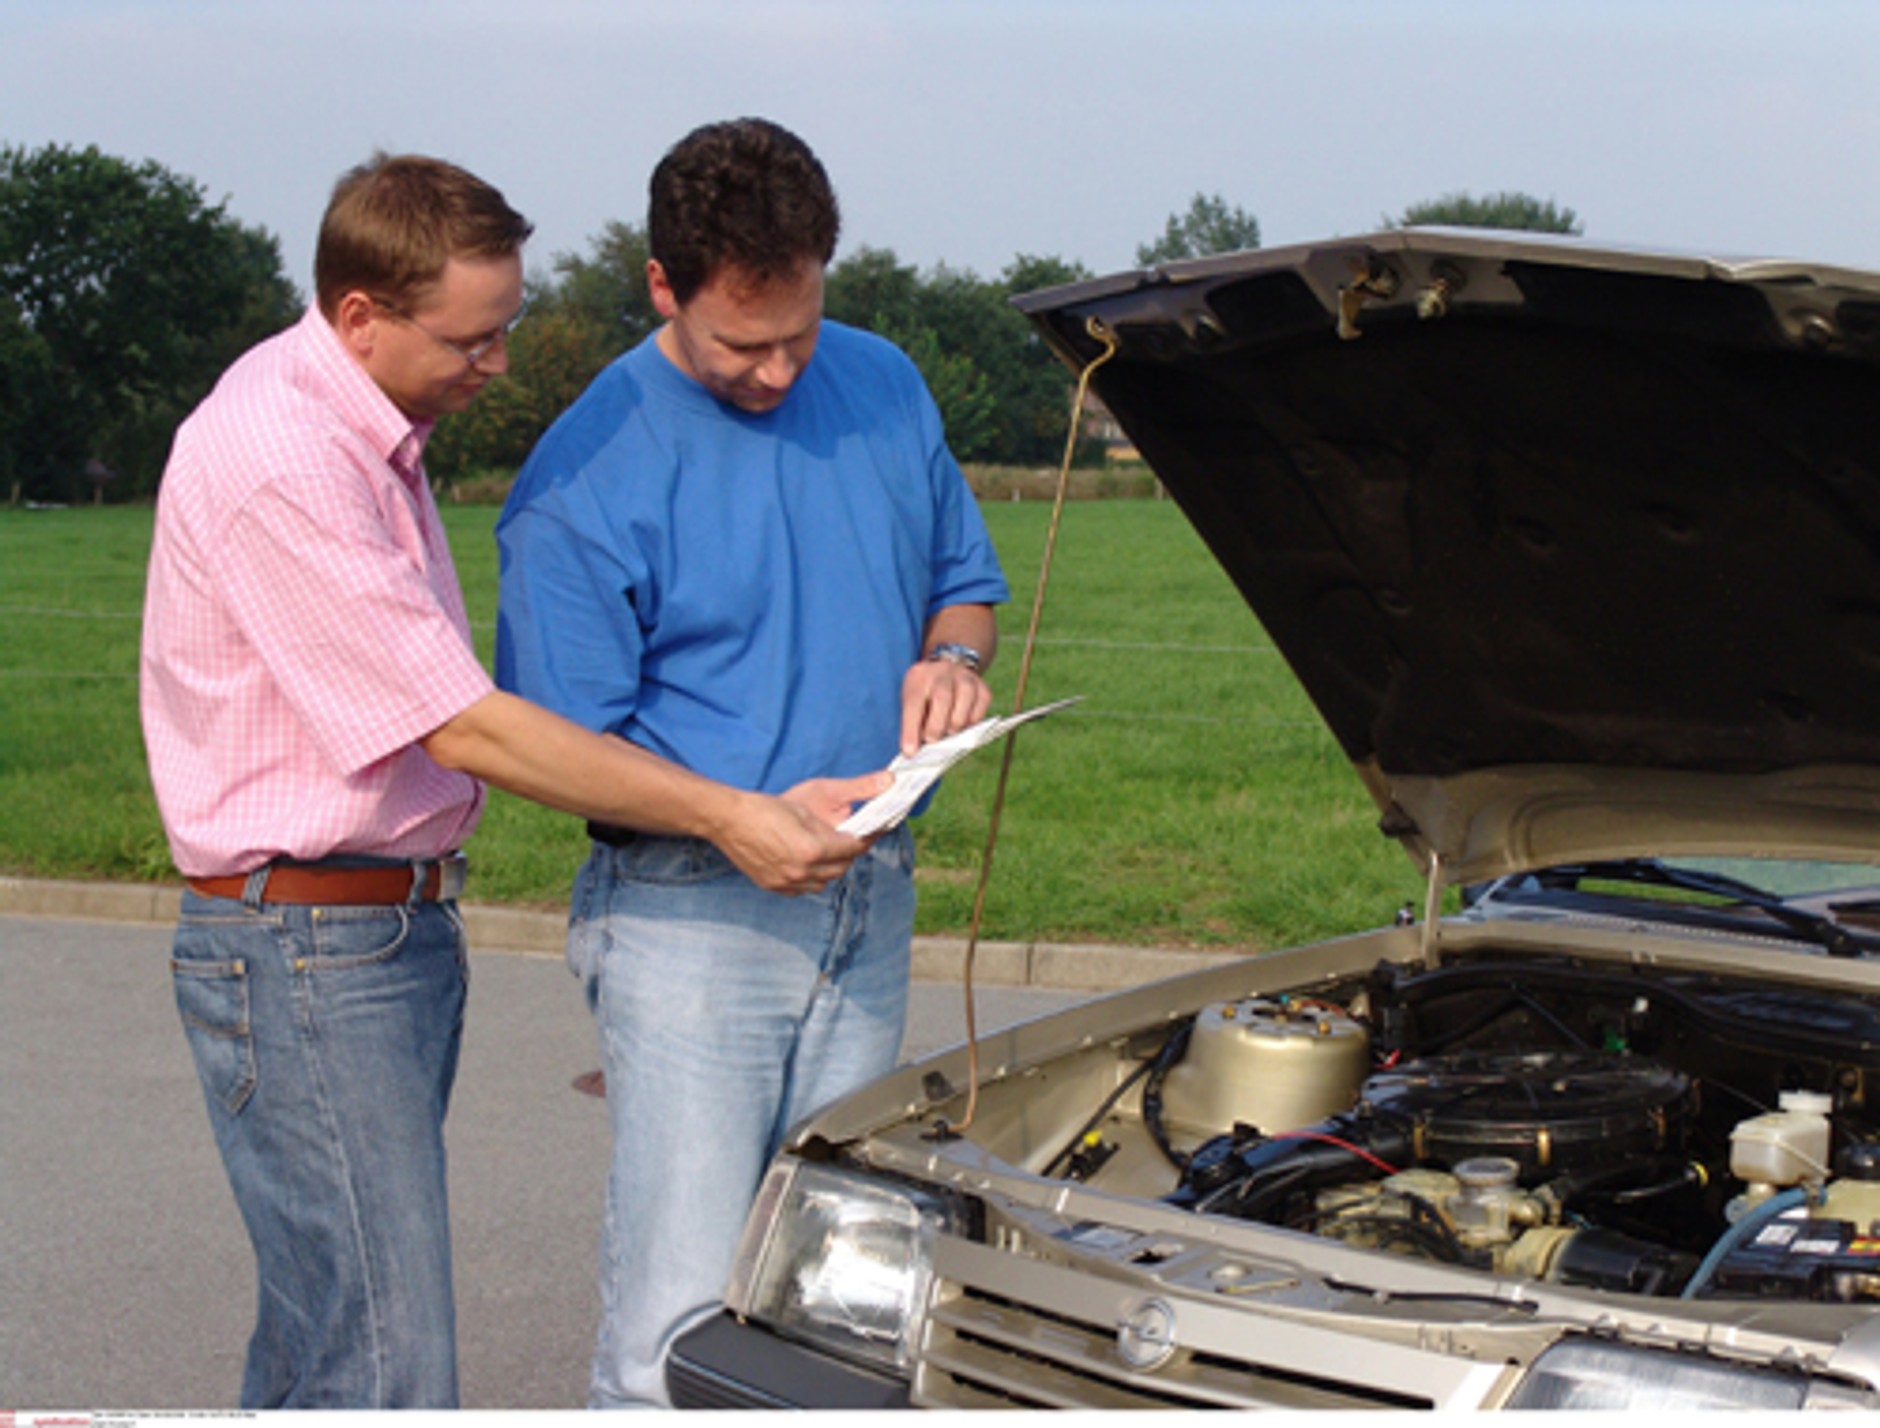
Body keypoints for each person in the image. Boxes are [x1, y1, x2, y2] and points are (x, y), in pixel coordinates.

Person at [138, 152, 886, 1411]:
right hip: (306, 940)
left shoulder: (355, 426)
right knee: (380, 1365)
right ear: (361, 315)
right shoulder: (287, 459)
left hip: (358, 930)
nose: (495, 362)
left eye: (507, 326)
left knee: (333, 1336)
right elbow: (465, 728)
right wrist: (730, 815)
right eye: (469, 338)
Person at [493, 117, 1011, 1408]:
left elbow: (961, 584)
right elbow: (551, 753)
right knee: (675, 1319)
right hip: (688, 921)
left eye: (800, 332)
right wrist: (733, 817)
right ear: (661, 287)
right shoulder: (585, 471)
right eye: (742, 346)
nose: (780, 370)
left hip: (868, 894)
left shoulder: (883, 381)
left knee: (837, 1295)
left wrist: (951, 657)